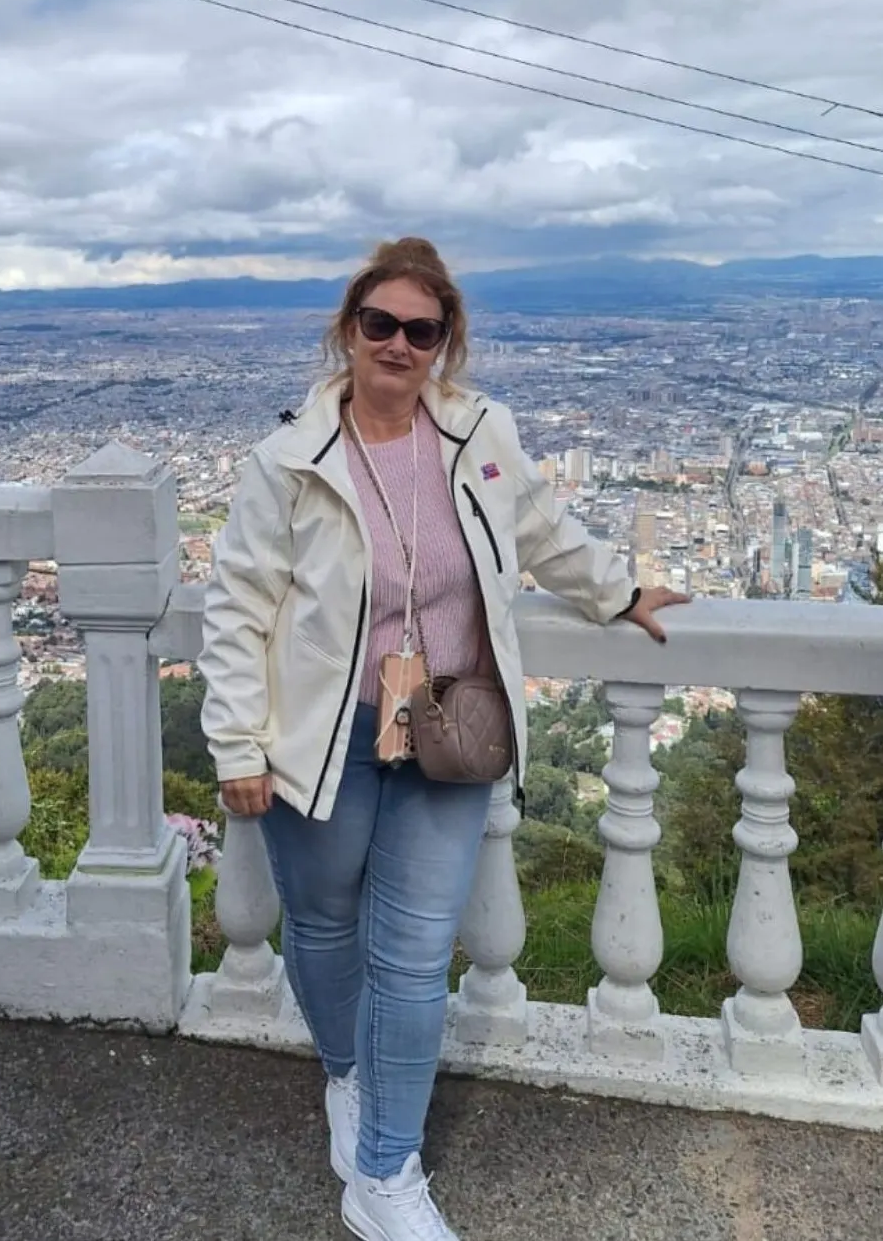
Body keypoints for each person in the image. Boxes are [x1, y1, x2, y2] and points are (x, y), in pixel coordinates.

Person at [199, 237, 688, 1241]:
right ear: (349, 328)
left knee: (417, 956)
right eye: (380, 322)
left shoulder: (478, 433)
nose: (398, 343)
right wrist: (237, 742)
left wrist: (621, 591)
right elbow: (239, 605)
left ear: (445, 342)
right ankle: (346, 1077)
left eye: (420, 330)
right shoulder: (288, 459)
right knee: (322, 924)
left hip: (451, 726)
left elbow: (541, 531)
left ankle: (386, 1172)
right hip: (326, 734)